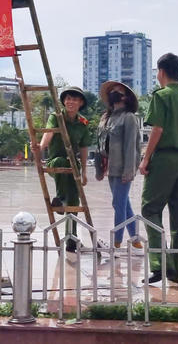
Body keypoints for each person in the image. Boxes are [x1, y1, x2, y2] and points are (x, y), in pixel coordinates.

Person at [139, 53, 178, 284]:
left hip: (164, 158)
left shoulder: (161, 96)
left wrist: (146, 158)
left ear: (161, 72)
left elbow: (157, 129)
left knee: (150, 209)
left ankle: (159, 263)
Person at [32, 86, 92, 251]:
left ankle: (71, 239)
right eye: (68, 99)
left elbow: (84, 147)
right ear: (64, 101)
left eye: (74, 99)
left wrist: (84, 172)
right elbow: (49, 133)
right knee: (61, 162)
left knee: (74, 202)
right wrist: (41, 147)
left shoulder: (83, 123)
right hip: (55, 162)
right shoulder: (56, 117)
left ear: (80, 103)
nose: (70, 102)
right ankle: (60, 197)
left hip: (73, 165)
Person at [97, 80, 143, 249]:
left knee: (118, 204)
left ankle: (116, 242)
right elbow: (100, 144)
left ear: (126, 97)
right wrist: (99, 168)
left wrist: (129, 171)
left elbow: (132, 146)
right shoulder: (106, 118)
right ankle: (136, 240)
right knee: (123, 204)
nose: (114, 93)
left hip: (123, 168)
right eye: (112, 91)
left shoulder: (129, 117)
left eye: (118, 91)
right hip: (110, 167)